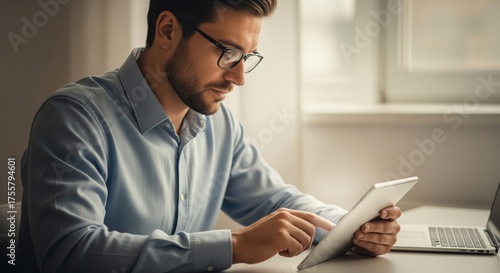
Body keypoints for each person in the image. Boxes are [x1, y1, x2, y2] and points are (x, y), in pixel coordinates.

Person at [18, 0, 402, 272]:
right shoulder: (74, 118)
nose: (238, 77)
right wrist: (234, 246)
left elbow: (277, 200)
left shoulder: (217, 124)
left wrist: (354, 226)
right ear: (168, 30)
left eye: (246, 57)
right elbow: (70, 254)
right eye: (228, 53)